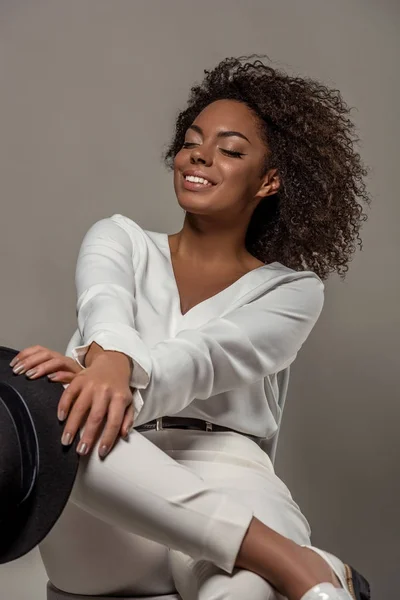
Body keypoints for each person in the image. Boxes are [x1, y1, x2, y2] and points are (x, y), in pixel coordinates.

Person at [9, 56, 370, 600]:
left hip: (227, 470)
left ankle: (267, 562)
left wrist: (112, 371)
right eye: (193, 141)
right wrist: (101, 366)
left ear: (269, 180)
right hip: (113, 468)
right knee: (50, 410)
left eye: (229, 149)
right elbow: (103, 302)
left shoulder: (291, 290)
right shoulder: (120, 238)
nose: (200, 155)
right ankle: (295, 562)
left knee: (245, 591)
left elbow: (210, 356)